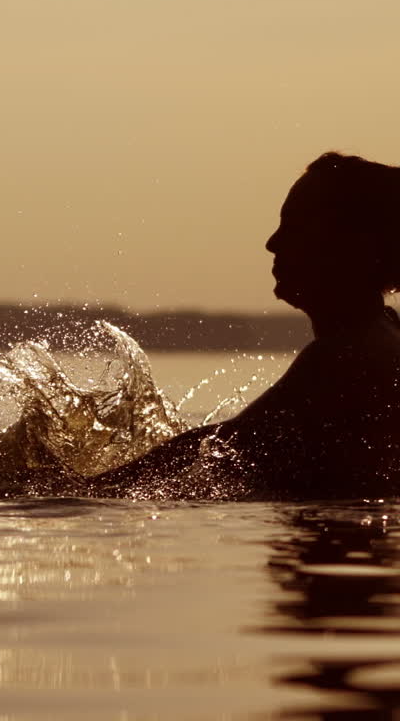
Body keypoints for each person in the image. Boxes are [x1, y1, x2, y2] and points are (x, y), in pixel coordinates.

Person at [93, 152, 400, 499]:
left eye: (295, 226)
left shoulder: (342, 358)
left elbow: (222, 446)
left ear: (354, 246)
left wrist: (81, 493)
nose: (273, 243)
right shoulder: (384, 333)